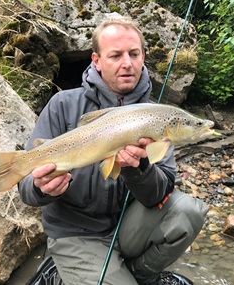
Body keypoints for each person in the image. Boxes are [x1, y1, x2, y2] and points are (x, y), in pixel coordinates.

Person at [18, 16, 208, 285]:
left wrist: (138, 169)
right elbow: (26, 189)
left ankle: (135, 274)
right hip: (76, 233)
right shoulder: (62, 105)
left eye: (133, 54)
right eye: (116, 55)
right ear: (96, 60)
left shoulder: (158, 116)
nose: (127, 63)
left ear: (143, 56)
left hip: (128, 228)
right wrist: (40, 187)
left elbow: (160, 193)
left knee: (189, 210)